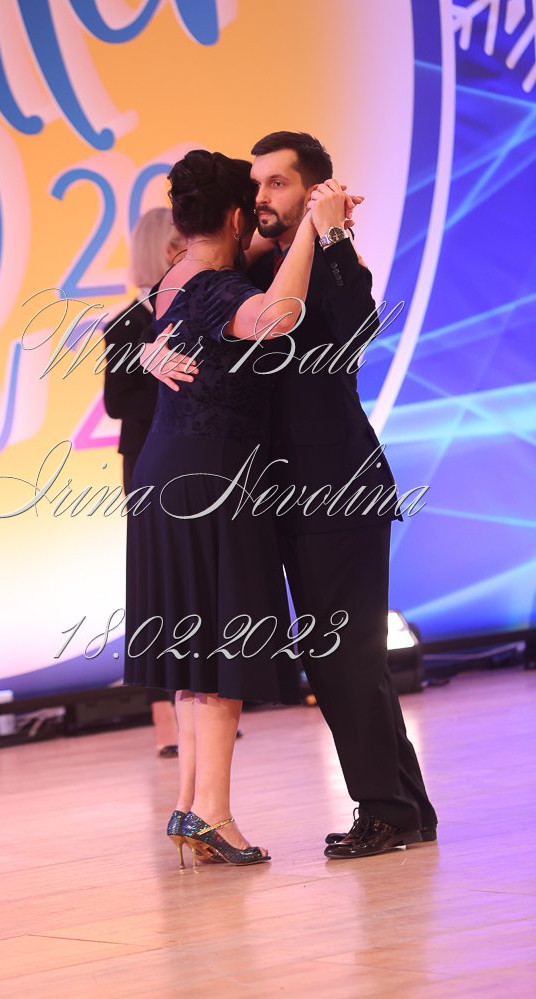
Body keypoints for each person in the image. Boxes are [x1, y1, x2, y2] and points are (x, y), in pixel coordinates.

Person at [151, 132, 438, 860]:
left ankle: (387, 810)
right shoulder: (247, 269)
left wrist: (332, 234)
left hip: (336, 491)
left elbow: (354, 329)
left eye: (277, 183)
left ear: (312, 192)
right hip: (274, 498)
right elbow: (164, 304)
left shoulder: (335, 260)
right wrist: (146, 349)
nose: (260, 196)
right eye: (256, 184)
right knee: (339, 660)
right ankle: (406, 807)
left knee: (345, 659)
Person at [122, 149, 323, 867]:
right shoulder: (215, 286)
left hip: (164, 474)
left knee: (192, 651)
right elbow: (278, 317)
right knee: (219, 647)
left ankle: (190, 805)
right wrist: (312, 227)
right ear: (238, 217)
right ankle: (214, 812)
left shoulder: (173, 279)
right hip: (211, 479)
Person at [104, 209, 185, 757]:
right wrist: (176, 386)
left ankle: (204, 701)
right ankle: (164, 719)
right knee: (157, 589)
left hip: (193, 458)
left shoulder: (197, 310)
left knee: (195, 583)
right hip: (149, 463)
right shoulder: (129, 323)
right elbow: (118, 402)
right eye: (179, 241)